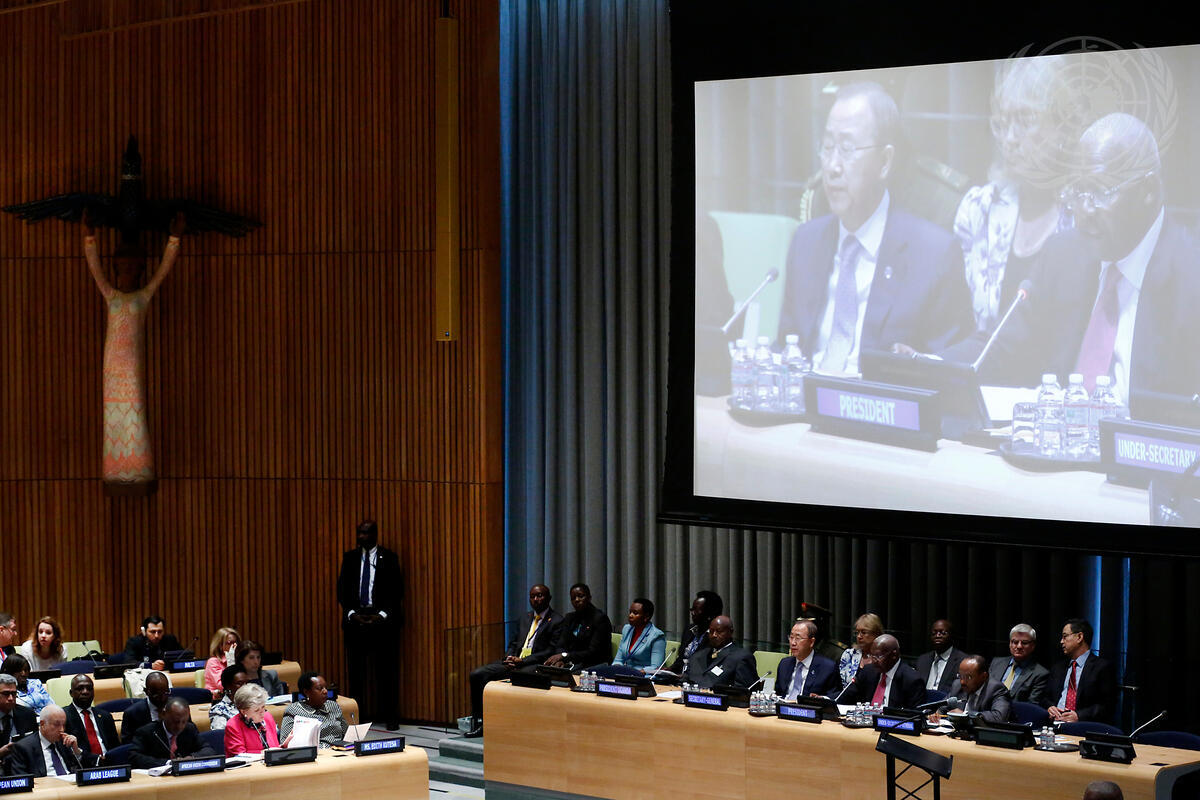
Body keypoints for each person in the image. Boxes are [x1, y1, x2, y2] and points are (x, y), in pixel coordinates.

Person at [972, 113, 1200, 405]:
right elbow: (999, 349)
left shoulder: (1190, 277)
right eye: (1077, 192)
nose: (1084, 211)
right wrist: (929, 364)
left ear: (1148, 191)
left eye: (1101, 193)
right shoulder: (1063, 255)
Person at [776, 81, 971, 375]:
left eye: (847, 149)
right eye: (827, 147)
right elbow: (786, 348)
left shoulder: (934, 255)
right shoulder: (806, 242)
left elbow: (947, 373)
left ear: (884, 162)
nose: (832, 166)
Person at [953, 57, 1078, 338]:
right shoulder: (979, 208)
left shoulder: (1089, 214)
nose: (1009, 138)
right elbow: (958, 325)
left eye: (1025, 121)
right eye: (1002, 124)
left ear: (1065, 126)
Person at [466, 584, 563, 738]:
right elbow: (513, 643)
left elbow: (550, 651)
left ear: (549, 598)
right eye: (532, 596)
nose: (536, 599)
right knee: (477, 675)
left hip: (534, 664)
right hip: (514, 662)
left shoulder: (557, 620)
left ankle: (513, 727)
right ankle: (480, 722)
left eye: (539, 596)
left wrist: (522, 661)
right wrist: (509, 657)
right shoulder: (525, 618)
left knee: (520, 677)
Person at [336, 518, 403, 729]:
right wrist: (352, 613)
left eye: (366, 533)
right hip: (355, 621)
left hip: (383, 622)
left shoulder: (389, 557)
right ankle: (358, 717)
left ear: (375, 534)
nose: (362, 537)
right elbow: (342, 590)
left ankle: (390, 716)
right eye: (360, 533)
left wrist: (381, 615)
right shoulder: (350, 557)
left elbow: (396, 591)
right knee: (356, 673)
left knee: (387, 672)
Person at [1047, 618, 1118, 724]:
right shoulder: (1058, 668)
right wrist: (1050, 707)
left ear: (1079, 637)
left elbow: (1108, 705)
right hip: (1053, 724)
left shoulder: (1102, 667)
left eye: (1065, 636)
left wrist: (1079, 716)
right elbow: (1045, 698)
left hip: (1083, 725)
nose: (1061, 641)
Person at [832, 634, 925, 709]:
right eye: (872, 656)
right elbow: (846, 696)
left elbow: (914, 716)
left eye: (878, 656)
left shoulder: (912, 680)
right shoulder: (868, 671)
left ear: (894, 655)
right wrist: (827, 700)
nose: (873, 661)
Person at [5, 705, 92, 776]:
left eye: (64, 725)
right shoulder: (23, 747)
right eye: (57, 724)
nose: (62, 729)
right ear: (42, 724)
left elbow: (85, 772)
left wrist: (76, 751)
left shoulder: (65, 742)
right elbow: (23, 781)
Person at [543, 584, 613, 671]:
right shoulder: (569, 618)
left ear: (589, 598)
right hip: (572, 662)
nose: (577, 600)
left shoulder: (599, 619)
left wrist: (565, 656)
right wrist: (560, 660)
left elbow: (593, 652)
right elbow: (561, 644)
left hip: (593, 664)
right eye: (573, 598)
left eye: (581, 596)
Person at [129, 697, 213, 768]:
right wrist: (168, 763)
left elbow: (208, 750)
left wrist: (191, 758)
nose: (179, 726)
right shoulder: (146, 732)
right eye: (176, 722)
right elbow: (134, 757)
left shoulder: (189, 729)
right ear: (163, 715)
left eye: (184, 722)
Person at [682, 616, 757, 689]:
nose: (714, 635)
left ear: (730, 632)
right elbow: (685, 680)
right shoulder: (698, 655)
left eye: (719, 631)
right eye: (711, 631)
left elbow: (743, 691)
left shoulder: (741, 658)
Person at [774, 619, 839, 700]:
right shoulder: (784, 664)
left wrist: (820, 698)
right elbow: (777, 694)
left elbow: (835, 696)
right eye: (791, 637)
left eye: (798, 638)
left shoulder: (827, 667)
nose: (793, 643)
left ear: (811, 642)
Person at [989, 623, 1051, 708]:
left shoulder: (1040, 674)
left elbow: (1031, 706)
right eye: (1015, 642)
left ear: (1033, 646)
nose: (1019, 646)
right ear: (1010, 643)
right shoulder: (996, 663)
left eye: (1024, 643)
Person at [279, 672, 347, 748]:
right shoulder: (294, 711)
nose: (325, 691)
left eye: (325, 687)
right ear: (306, 692)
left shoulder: (333, 706)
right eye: (320, 688)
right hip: (314, 752)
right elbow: (285, 743)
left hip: (339, 750)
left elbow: (346, 733)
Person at [63, 675, 119, 762]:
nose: (85, 692)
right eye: (80, 688)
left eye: (89, 688)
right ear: (71, 693)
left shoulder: (105, 716)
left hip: (109, 763)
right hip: (81, 764)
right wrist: (97, 760)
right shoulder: (63, 716)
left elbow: (115, 747)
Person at [604, 598, 667, 675]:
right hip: (624, 674)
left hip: (643, 676)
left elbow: (656, 667)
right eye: (630, 612)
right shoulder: (627, 629)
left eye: (635, 613)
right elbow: (618, 660)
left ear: (646, 616)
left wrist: (635, 673)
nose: (630, 615)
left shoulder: (656, 636)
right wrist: (617, 669)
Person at [941, 655, 1011, 723]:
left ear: (983, 676)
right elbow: (942, 706)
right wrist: (937, 713)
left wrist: (965, 714)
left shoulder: (996, 689)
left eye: (968, 677)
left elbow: (999, 716)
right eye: (960, 676)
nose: (962, 682)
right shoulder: (958, 685)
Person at [667, 591, 723, 674]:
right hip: (679, 678)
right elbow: (680, 660)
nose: (692, 613)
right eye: (691, 609)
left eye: (696, 610)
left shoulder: (716, 637)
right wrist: (668, 670)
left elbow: (707, 667)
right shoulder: (689, 630)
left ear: (710, 613)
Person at [224, 683, 288, 756]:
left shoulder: (267, 717)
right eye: (256, 710)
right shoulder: (233, 726)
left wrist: (283, 748)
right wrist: (263, 754)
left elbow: (273, 747)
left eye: (263, 707)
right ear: (243, 711)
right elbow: (239, 756)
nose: (262, 712)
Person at [915, 619, 966, 695]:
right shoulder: (922, 660)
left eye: (943, 633)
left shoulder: (962, 661)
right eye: (934, 633)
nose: (937, 635)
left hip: (946, 701)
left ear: (951, 636)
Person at [119, 670, 171, 743]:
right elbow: (128, 745)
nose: (162, 698)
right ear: (146, 691)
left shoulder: (178, 708)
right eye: (157, 695)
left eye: (166, 693)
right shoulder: (132, 714)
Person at [115, 615, 182, 670]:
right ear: (144, 631)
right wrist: (150, 665)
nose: (156, 636)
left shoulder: (170, 640)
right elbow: (128, 663)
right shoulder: (134, 642)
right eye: (152, 632)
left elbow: (183, 657)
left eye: (159, 632)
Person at [838, 612, 883, 688]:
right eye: (857, 632)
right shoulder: (849, 655)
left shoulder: (883, 657)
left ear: (876, 633)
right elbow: (840, 687)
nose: (859, 636)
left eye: (864, 632)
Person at [0, 674, 38, 762]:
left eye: (13, 694)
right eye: (6, 694)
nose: (11, 698)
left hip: (23, 763)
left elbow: (36, 745)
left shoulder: (27, 714)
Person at [209, 664, 249, 731]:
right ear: (228, 686)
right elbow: (220, 735)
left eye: (246, 683)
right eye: (239, 683)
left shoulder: (253, 704)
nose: (245, 687)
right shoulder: (219, 711)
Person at [204, 627, 241, 696]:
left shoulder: (240, 660)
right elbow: (224, 686)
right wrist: (231, 664)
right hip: (218, 698)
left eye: (236, 642)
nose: (234, 646)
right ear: (220, 645)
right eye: (229, 643)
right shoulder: (213, 662)